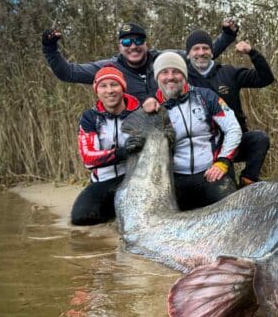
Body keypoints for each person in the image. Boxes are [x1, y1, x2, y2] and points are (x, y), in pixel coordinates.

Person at [41, 20, 238, 111]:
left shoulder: (164, 59)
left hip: (172, 127)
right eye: (127, 42)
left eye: (138, 41)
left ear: (146, 43)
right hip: (134, 133)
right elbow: (68, 73)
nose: (133, 46)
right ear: (119, 46)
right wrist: (49, 48)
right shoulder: (110, 68)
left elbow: (199, 57)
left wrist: (227, 35)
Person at [183, 29, 275, 187]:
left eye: (205, 48)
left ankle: (248, 180)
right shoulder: (182, 79)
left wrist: (252, 52)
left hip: (233, 139)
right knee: (225, 185)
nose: (201, 52)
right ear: (188, 54)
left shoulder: (228, 73)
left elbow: (265, 79)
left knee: (259, 139)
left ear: (212, 52)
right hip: (204, 146)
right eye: (196, 49)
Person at [153, 51, 242, 210]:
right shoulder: (152, 109)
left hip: (209, 173)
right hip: (174, 180)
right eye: (164, 72)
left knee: (232, 208)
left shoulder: (206, 96)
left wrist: (223, 161)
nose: (170, 77)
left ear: (184, 75)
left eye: (176, 71)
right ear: (157, 78)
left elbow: (233, 128)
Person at [71, 66, 144, 225]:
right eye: (103, 86)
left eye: (114, 85)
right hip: (104, 181)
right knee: (80, 217)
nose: (109, 90)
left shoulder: (140, 113)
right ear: (97, 91)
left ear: (123, 88)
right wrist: (121, 153)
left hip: (135, 179)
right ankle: (115, 210)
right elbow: (88, 159)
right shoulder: (90, 117)